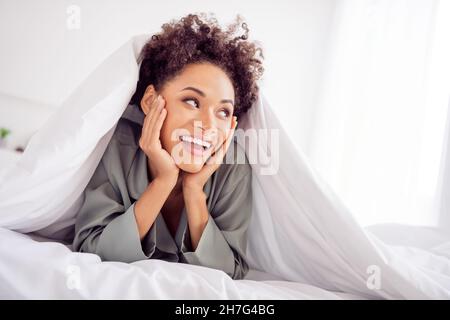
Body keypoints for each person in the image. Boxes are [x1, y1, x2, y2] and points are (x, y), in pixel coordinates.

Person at [73, 13, 264, 280]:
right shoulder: (118, 145)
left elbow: (230, 270)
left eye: (222, 112)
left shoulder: (234, 166)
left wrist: (194, 190)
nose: (208, 125)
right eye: (192, 102)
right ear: (151, 101)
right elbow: (91, 249)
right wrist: (163, 181)